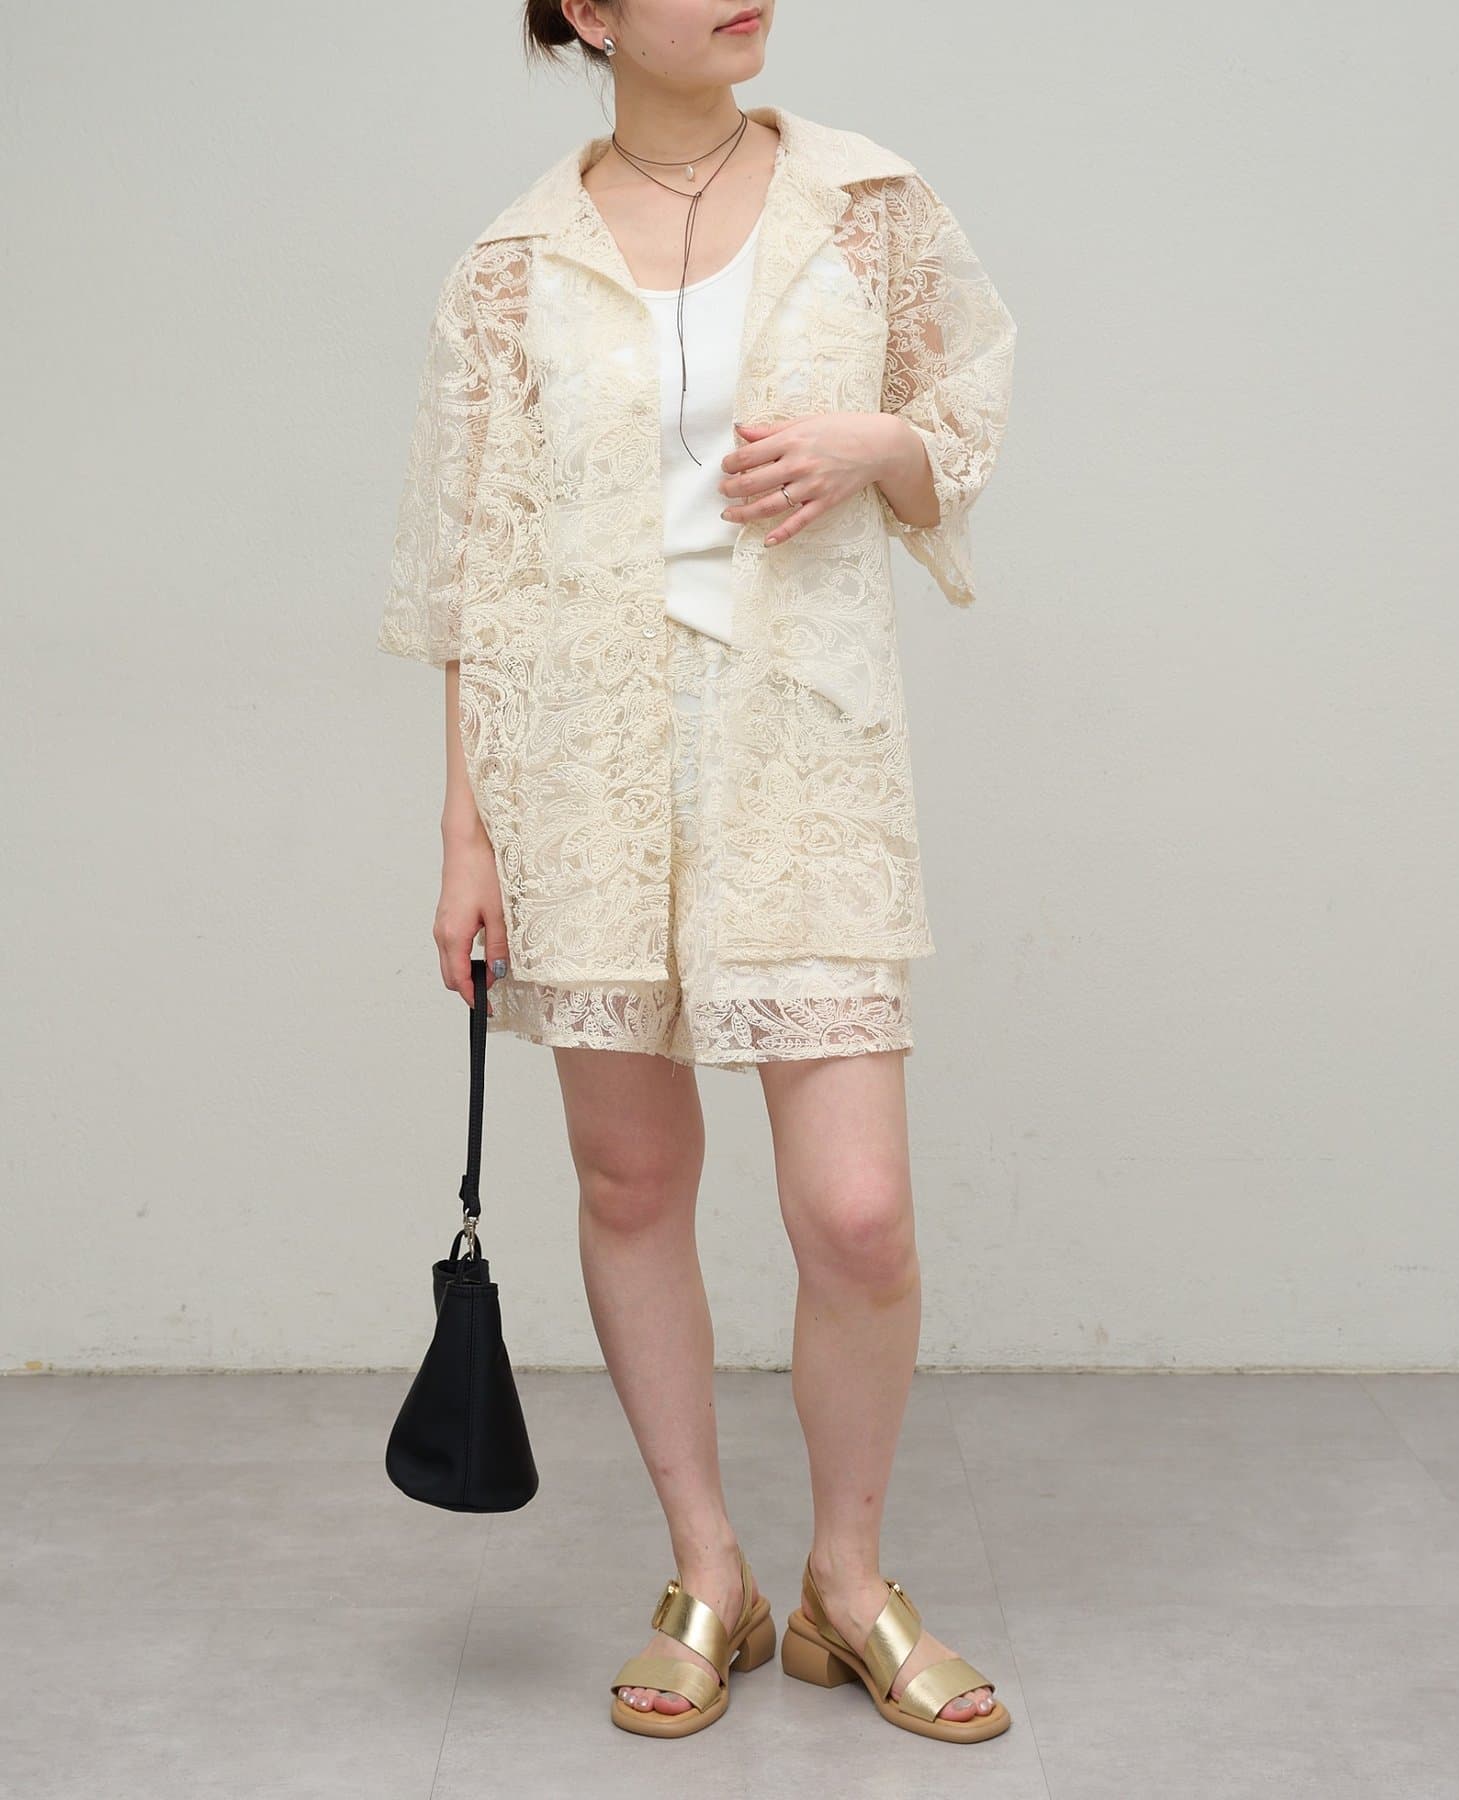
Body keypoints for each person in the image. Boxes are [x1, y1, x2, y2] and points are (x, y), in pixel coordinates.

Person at [378, 0, 1017, 1746]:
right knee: (633, 1177)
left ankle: (848, 1582)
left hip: (799, 751)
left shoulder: (864, 203)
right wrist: (466, 838)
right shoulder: (509, 269)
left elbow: (964, 407)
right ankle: (706, 1567)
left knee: (858, 1213)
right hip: (581, 768)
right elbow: (468, 572)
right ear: (588, 13)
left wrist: (872, 448)